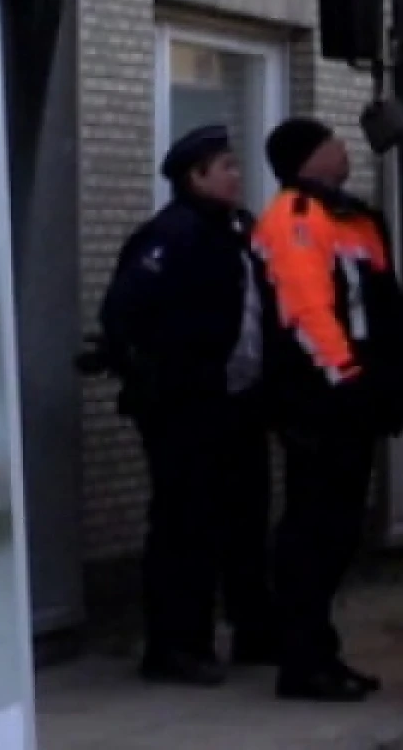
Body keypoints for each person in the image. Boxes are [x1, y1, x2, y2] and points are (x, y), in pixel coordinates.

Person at [97, 123, 277, 686]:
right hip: (186, 408)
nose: (237, 175)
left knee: (245, 521)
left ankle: (252, 629)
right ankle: (176, 645)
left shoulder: (240, 230)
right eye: (226, 167)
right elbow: (124, 314)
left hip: (239, 402)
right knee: (185, 526)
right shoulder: (170, 236)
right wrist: (163, 375)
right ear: (196, 177)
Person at [253, 117, 403, 702]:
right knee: (313, 535)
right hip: (322, 405)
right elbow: (307, 314)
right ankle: (304, 660)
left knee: (337, 534)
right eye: (331, 143)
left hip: (352, 402)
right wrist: (349, 383)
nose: (343, 148)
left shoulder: (351, 219)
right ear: (307, 158)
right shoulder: (297, 219)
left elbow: (382, 309)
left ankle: (320, 653)